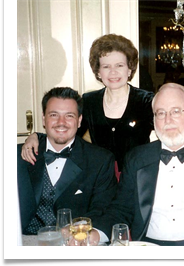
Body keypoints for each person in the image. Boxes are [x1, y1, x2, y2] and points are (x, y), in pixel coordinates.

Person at [89, 83, 184, 246]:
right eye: (160, 113)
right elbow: (121, 209)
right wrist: (96, 234)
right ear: (154, 119)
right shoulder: (136, 158)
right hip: (146, 247)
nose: (167, 120)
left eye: (176, 111)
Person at [21, 34, 155, 175]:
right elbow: (68, 131)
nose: (113, 72)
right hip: (100, 178)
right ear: (98, 72)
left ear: (129, 69)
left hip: (138, 177)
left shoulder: (146, 101)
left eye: (119, 65)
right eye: (106, 66)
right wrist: (36, 136)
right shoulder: (89, 101)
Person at [17, 87, 118, 236]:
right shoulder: (17, 155)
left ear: (79, 120)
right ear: (44, 119)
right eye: (53, 115)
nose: (61, 122)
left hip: (74, 243)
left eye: (69, 116)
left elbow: (103, 210)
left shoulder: (100, 160)